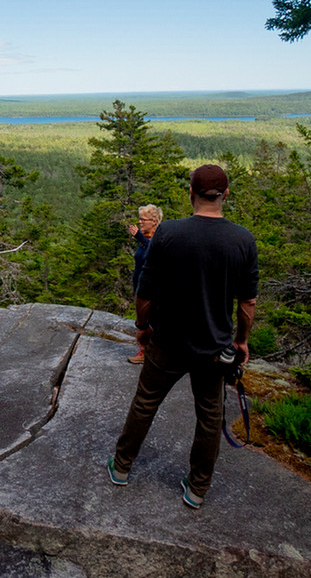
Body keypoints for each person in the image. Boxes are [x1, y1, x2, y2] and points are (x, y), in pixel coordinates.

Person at [107, 164, 258, 510]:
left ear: (190, 193)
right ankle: (197, 488)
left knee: (145, 403)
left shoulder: (169, 233)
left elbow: (145, 290)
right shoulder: (242, 240)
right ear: (225, 195)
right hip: (215, 347)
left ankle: (122, 466)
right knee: (209, 417)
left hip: (168, 340)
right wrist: (241, 341)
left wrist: (142, 328)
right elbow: (247, 302)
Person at [125, 204, 163, 365]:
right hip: (141, 286)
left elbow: (154, 252)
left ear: (154, 221)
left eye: (143, 219)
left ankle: (146, 352)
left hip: (151, 290)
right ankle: (148, 351)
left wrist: (139, 237)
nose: (140, 222)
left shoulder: (155, 239)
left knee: (149, 321)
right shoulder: (145, 239)